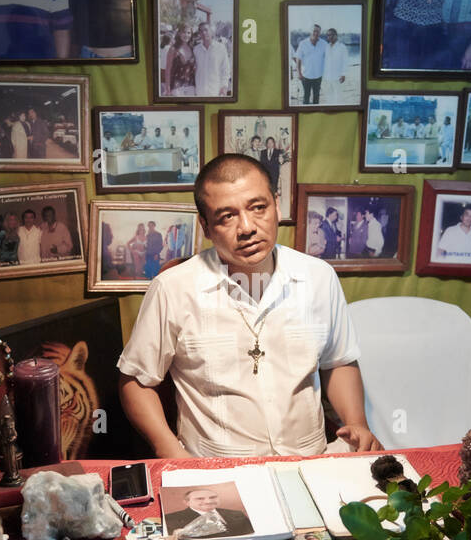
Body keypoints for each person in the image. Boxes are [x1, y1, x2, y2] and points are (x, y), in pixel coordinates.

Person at [117, 154, 381, 458]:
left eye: (258, 208)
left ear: (276, 205)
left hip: (309, 460)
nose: (247, 227)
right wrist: (169, 449)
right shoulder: (173, 289)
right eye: (227, 216)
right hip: (215, 468)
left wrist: (357, 423)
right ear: (205, 226)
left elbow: (338, 361)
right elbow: (136, 380)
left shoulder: (318, 277)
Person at [165, 486, 253, 539]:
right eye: (200, 498)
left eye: (212, 497)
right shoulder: (171, 518)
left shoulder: (237, 514)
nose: (208, 502)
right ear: (186, 502)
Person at [193, 22, 230, 97]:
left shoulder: (221, 48)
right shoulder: (196, 49)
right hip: (200, 92)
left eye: (206, 30)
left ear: (211, 31)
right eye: (201, 31)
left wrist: (224, 87)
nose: (203, 33)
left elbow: (226, 70)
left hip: (216, 91)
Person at [293, 24, 327, 105]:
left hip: (318, 75)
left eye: (318, 31)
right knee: (306, 96)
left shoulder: (324, 44)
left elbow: (328, 59)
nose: (316, 33)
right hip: (306, 75)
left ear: (320, 33)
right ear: (310, 31)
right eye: (314, 31)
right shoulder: (303, 43)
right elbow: (298, 59)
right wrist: (299, 73)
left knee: (316, 96)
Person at [164, 23, 197, 96]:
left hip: (191, 86)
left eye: (189, 33)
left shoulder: (193, 49)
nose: (186, 35)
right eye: (184, 32)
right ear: (179, 33)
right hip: (176, 87)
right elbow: (168, 70)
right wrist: (167, 88)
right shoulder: (173, 49)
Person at [320, 28, 348, 105]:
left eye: (332, 35)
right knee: (328, 96)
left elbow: (345, 62)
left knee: (338, 97)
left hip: (338, 77)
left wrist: (343, 74)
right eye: (328, 35)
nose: (330, 37)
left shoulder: (342, 47)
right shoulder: (326, 46)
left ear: (336, 35)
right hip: (327, 77)